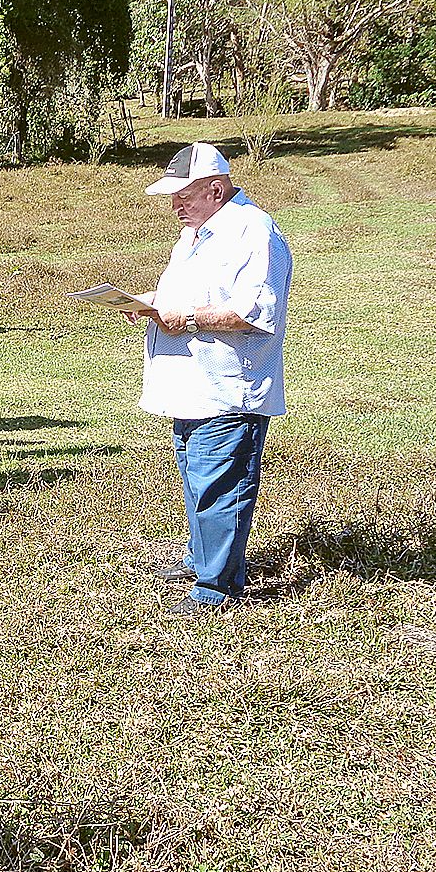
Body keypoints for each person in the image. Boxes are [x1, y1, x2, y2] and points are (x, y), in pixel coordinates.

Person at [133, 141, 292, 614]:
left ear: (216, 189)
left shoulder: (252, 232)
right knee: (198, 483)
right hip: (191, 387)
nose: (175, 205)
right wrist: (147, 304)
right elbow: (184, 295)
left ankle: (216, 589)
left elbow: (255, 311)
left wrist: (190, 318)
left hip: (227, 390)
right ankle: (203, 559)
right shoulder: (196, 233)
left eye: (184, 195)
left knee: (220, 489)